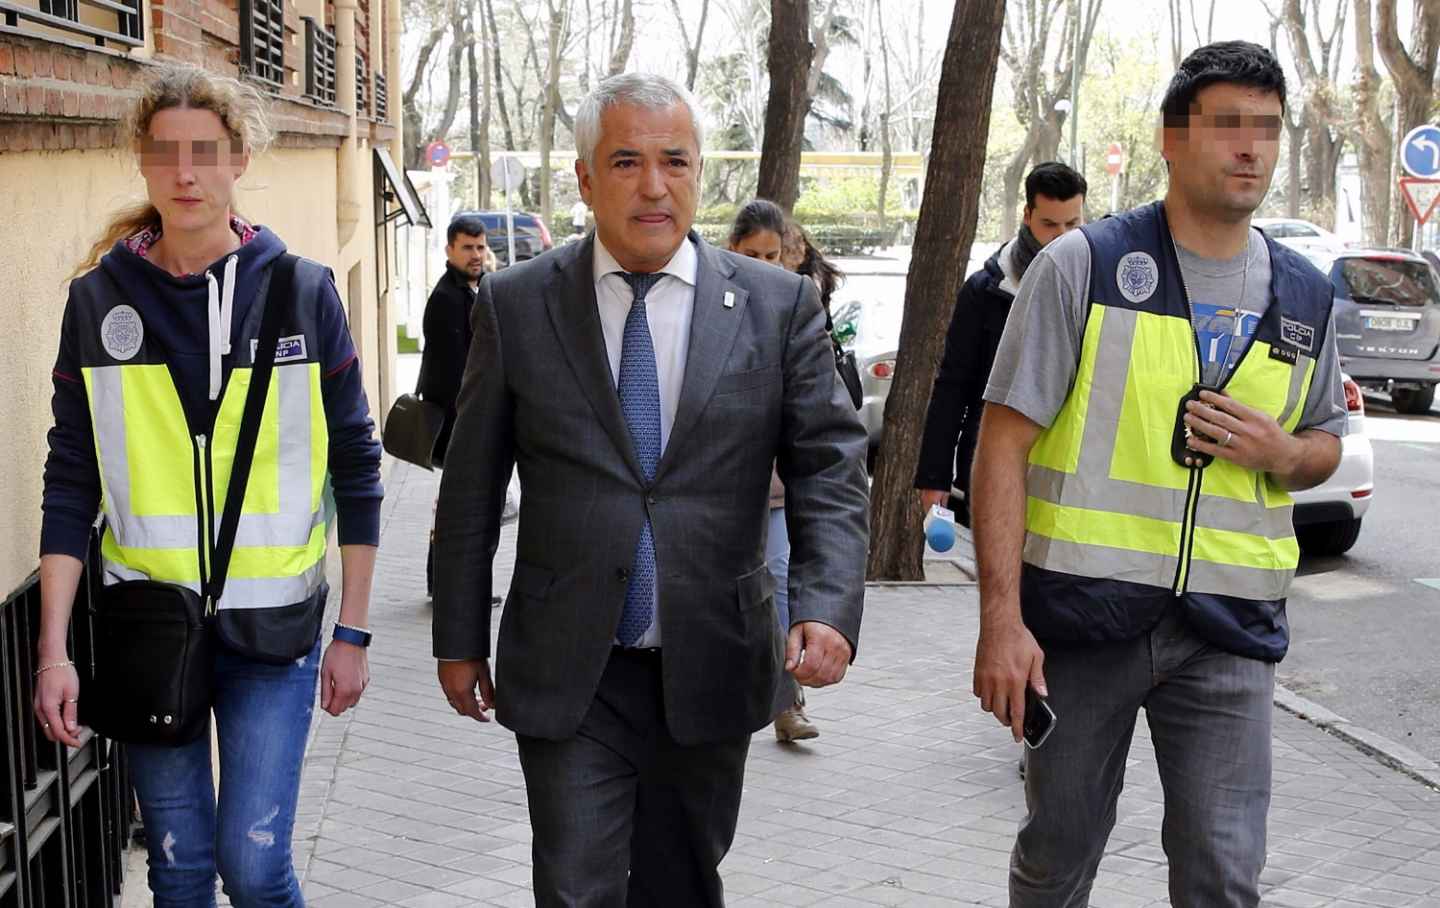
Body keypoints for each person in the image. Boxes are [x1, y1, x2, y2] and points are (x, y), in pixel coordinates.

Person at [432, 72, 870, 906]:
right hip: (570, 666)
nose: (654, 185)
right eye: (626, 161)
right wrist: (457, 633)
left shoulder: (776, 307)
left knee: (682, 884)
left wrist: (826, 602)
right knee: (574, 887)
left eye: (676, 161)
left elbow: (830, 467)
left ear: (701, 173)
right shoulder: (520, 303)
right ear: (586, 178)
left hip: (710, 654)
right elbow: (472, 483)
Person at [970, 42, 1345, 907]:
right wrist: (1000, 619)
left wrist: (1286, 456)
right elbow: (1002, 444)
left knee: (1222, 871)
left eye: (1268, 130)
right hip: (1081, 618)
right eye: (1228, 126)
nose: (1251, 148)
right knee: (1058, 852)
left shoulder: (1307, 296)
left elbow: (1324, 438)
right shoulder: (1085, 266)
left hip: (1230, 630)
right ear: (1172, 140)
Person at [35, 63, 383, 907]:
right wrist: (53, 653)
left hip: (276, 632)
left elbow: (359, 465)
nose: (185, 173)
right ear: (144, 165)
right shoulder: (98, 304)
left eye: (205, 152)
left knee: (254, 866)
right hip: (151, 629)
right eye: (165, 153)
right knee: (181, 870)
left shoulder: (302, 293)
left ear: (240, 161)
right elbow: (70, 481)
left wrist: (355, 631)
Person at [914, 162, 1086, 527]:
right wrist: (935, 477)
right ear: (1027, 215)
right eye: (1050, 225)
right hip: (997, 463)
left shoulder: (1097, 282)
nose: (1063, 237)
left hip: (1071, 471)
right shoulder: (985, 290)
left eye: (1072, 225)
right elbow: (952, 386)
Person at [727, 199, 820, 743]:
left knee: (782, 588)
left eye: (773, 254)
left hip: (778, 490)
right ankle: (729, 693)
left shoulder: (797, 307)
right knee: (732, 595)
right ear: (732, 250)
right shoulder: (711, 303)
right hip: (722, 490)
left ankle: (789, 704)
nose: (764, 263)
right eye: (751, 253)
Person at [418, 213, 489, 596]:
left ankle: (447, 583)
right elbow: (453, 372)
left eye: (480, 246)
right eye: (467, 247)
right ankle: (445, 583)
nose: (476, 254)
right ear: (450, 250)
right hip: (457, 424)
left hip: (467, 422)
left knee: (456, 506)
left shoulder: (476, 290)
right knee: (456, 508)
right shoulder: (448, 298)